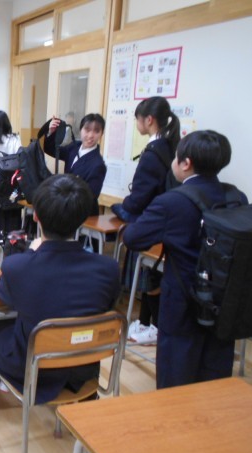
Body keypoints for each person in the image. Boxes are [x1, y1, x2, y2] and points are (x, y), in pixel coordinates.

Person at [0, 174, 120, 401]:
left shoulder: (18, 266)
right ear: (82, 219)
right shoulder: (109, 268)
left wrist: (32, 253)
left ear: (36, 216)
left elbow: (3, 295)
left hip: (30, 370)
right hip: (83, 367)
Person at [124, 130, 247, 389]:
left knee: (177, 377)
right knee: (214, 377)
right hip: (224, 301)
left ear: (186, 163)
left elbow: (133, 238)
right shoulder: (237, 197)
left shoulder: (172, 201)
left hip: (183, 300)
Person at [111, 97, 181, 343]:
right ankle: (145, 323)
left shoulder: (153, 153)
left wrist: (122, 206)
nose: (137, 124)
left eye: (138, 119)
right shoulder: (170, 146)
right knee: (152, 276)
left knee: (149, 277)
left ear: (148, 120)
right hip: (167, 221)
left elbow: (139, 198)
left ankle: (154, 327)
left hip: (151, 221)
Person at [43, 113, 107, 216]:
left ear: (101, 134)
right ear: (80, 129)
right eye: (87, 130)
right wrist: (51, 132)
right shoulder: (74, 147)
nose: (91, 135)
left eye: (96, 131)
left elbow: (90, 197)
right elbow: (51, 150)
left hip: (83, 214)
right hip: (67, 208)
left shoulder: (98, 164)